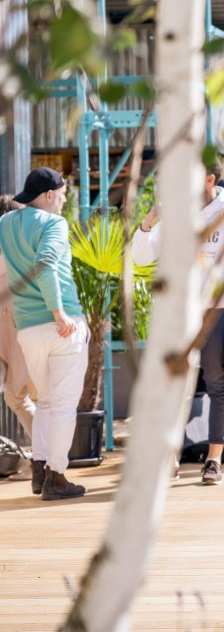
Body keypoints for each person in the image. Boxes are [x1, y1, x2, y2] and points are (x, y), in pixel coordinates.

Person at [132, 163, 224, 485]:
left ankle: (213, 460)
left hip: (219, 310)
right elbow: (141, 257)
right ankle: (171, 459)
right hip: (178, 314)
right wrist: (149, 222)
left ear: (209, 180)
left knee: (219, 384)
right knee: (175, 386)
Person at [0, 168, 88, 500]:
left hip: (28, 330)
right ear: (49, 195)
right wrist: (58, 311)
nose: (65, 202)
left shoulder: (5, 224)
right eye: (63, 195)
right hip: (60, 325)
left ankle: (40, 472)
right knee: (63, 405)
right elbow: (46, 263)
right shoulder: (54, 224)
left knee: (46, 402)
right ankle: (58, 477)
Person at [0, 195, 37, 445]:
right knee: (18, 396)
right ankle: (45, 460)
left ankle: (48, 462)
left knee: (29, 394)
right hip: (15, 330)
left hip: (22, 330)